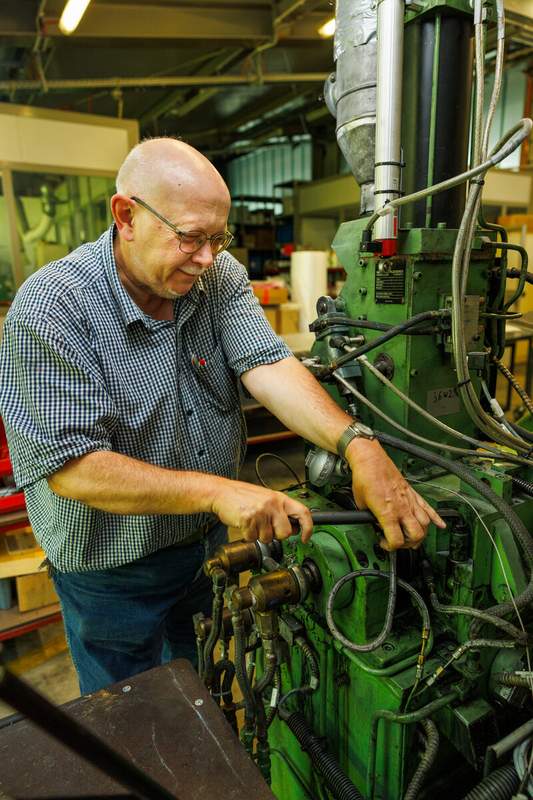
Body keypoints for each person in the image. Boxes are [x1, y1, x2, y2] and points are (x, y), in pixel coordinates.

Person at [0, 138, 445, 694]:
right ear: (126, 215)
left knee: (203, 686)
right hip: (111, 571)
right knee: (131, 715)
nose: (208, 258)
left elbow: (269, 366)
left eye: (218, 238)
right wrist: (216, 492)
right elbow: (72, 468)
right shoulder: (52, 309)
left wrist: (358, 444)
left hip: (205, 547)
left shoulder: (216, 277)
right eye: (190, 237)